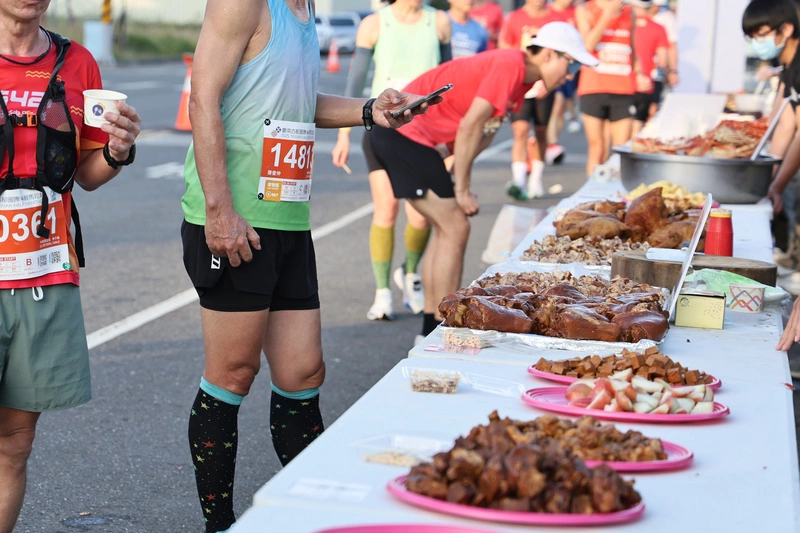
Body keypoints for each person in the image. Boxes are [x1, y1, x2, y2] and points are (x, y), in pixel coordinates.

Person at [181, 0, 437, 531]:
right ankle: (219, 523)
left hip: (289, 215)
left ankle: (312, 512)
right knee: (233, 373)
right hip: (238, 219)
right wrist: (220, 211)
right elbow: (203, 96)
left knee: (303, 373)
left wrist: (370, 110)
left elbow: (294, 102)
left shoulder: (306, 9)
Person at [0, 0, 141, 530]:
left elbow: (87, 173)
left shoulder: (77, 62)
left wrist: (120, 151)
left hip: (45, 271)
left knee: (15, 441)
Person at [368, 22, 598, 342]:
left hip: (411, 141)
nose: (571, 74)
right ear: (548, 54)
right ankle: (442, 328)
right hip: (404, 136)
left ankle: (431, 329)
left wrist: (456, 177)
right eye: (570, 63)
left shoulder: (519, 80)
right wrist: (460, 189)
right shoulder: (511, 65)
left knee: (447, 227)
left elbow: (483, 133)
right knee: (456, 226)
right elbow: (470, 127)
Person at [331, 0, 451, 321]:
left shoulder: (438, 22)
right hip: (382, 129)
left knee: (421, 217)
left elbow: (450, 79)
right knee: (386, 209)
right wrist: (343, 135)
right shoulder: (373, 24)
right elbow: (355, 84)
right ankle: (382, 293)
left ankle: (410, 274)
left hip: (424, 132)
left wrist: (449, 140)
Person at [742, 0, 800, 351]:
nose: (754, 43)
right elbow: (784, 123)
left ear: (786, 29)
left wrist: (775, 181)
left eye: (759, 35)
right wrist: (769, 179)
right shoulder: (789, 65)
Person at [499, 0, 561, 200]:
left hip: (545, 84)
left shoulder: (554, 18)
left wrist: (550, 81)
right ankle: (519, 180)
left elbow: (561, 55)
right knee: (521, 130)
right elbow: (504, 46)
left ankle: (536, 177)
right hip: (522, 82)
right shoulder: (515, 18)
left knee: (541, 132)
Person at [576, 0, 641, 177]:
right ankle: (590, 198)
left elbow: (633, 47)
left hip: (623, 88)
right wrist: (607, 15)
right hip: (594, 86)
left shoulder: (630, 12)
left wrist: (640, 73)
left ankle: (617, 196)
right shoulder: (585, 9)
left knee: (621, 149)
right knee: (597, 148)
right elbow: (587, 45)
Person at [629, 0, 669, 137]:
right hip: (646, 83)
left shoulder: (625, 25)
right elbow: (663, 62)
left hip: (623, 82)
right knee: (639, 122)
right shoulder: (658, 28)